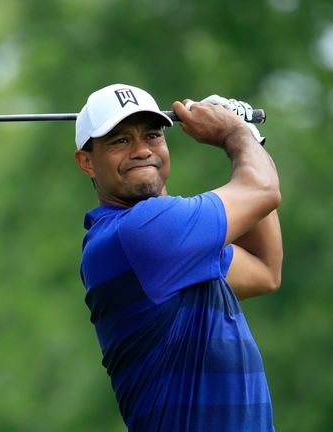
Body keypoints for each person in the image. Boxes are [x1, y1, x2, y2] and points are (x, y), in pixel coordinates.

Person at [74, 83, 282, 431]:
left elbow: (265, 270)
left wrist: (249, 138)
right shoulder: (141, 233)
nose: (142, 150)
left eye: (152, 135)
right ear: (86, 162)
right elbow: (262, 190)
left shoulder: (177, 245)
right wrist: (235, 132)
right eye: (120, 141)